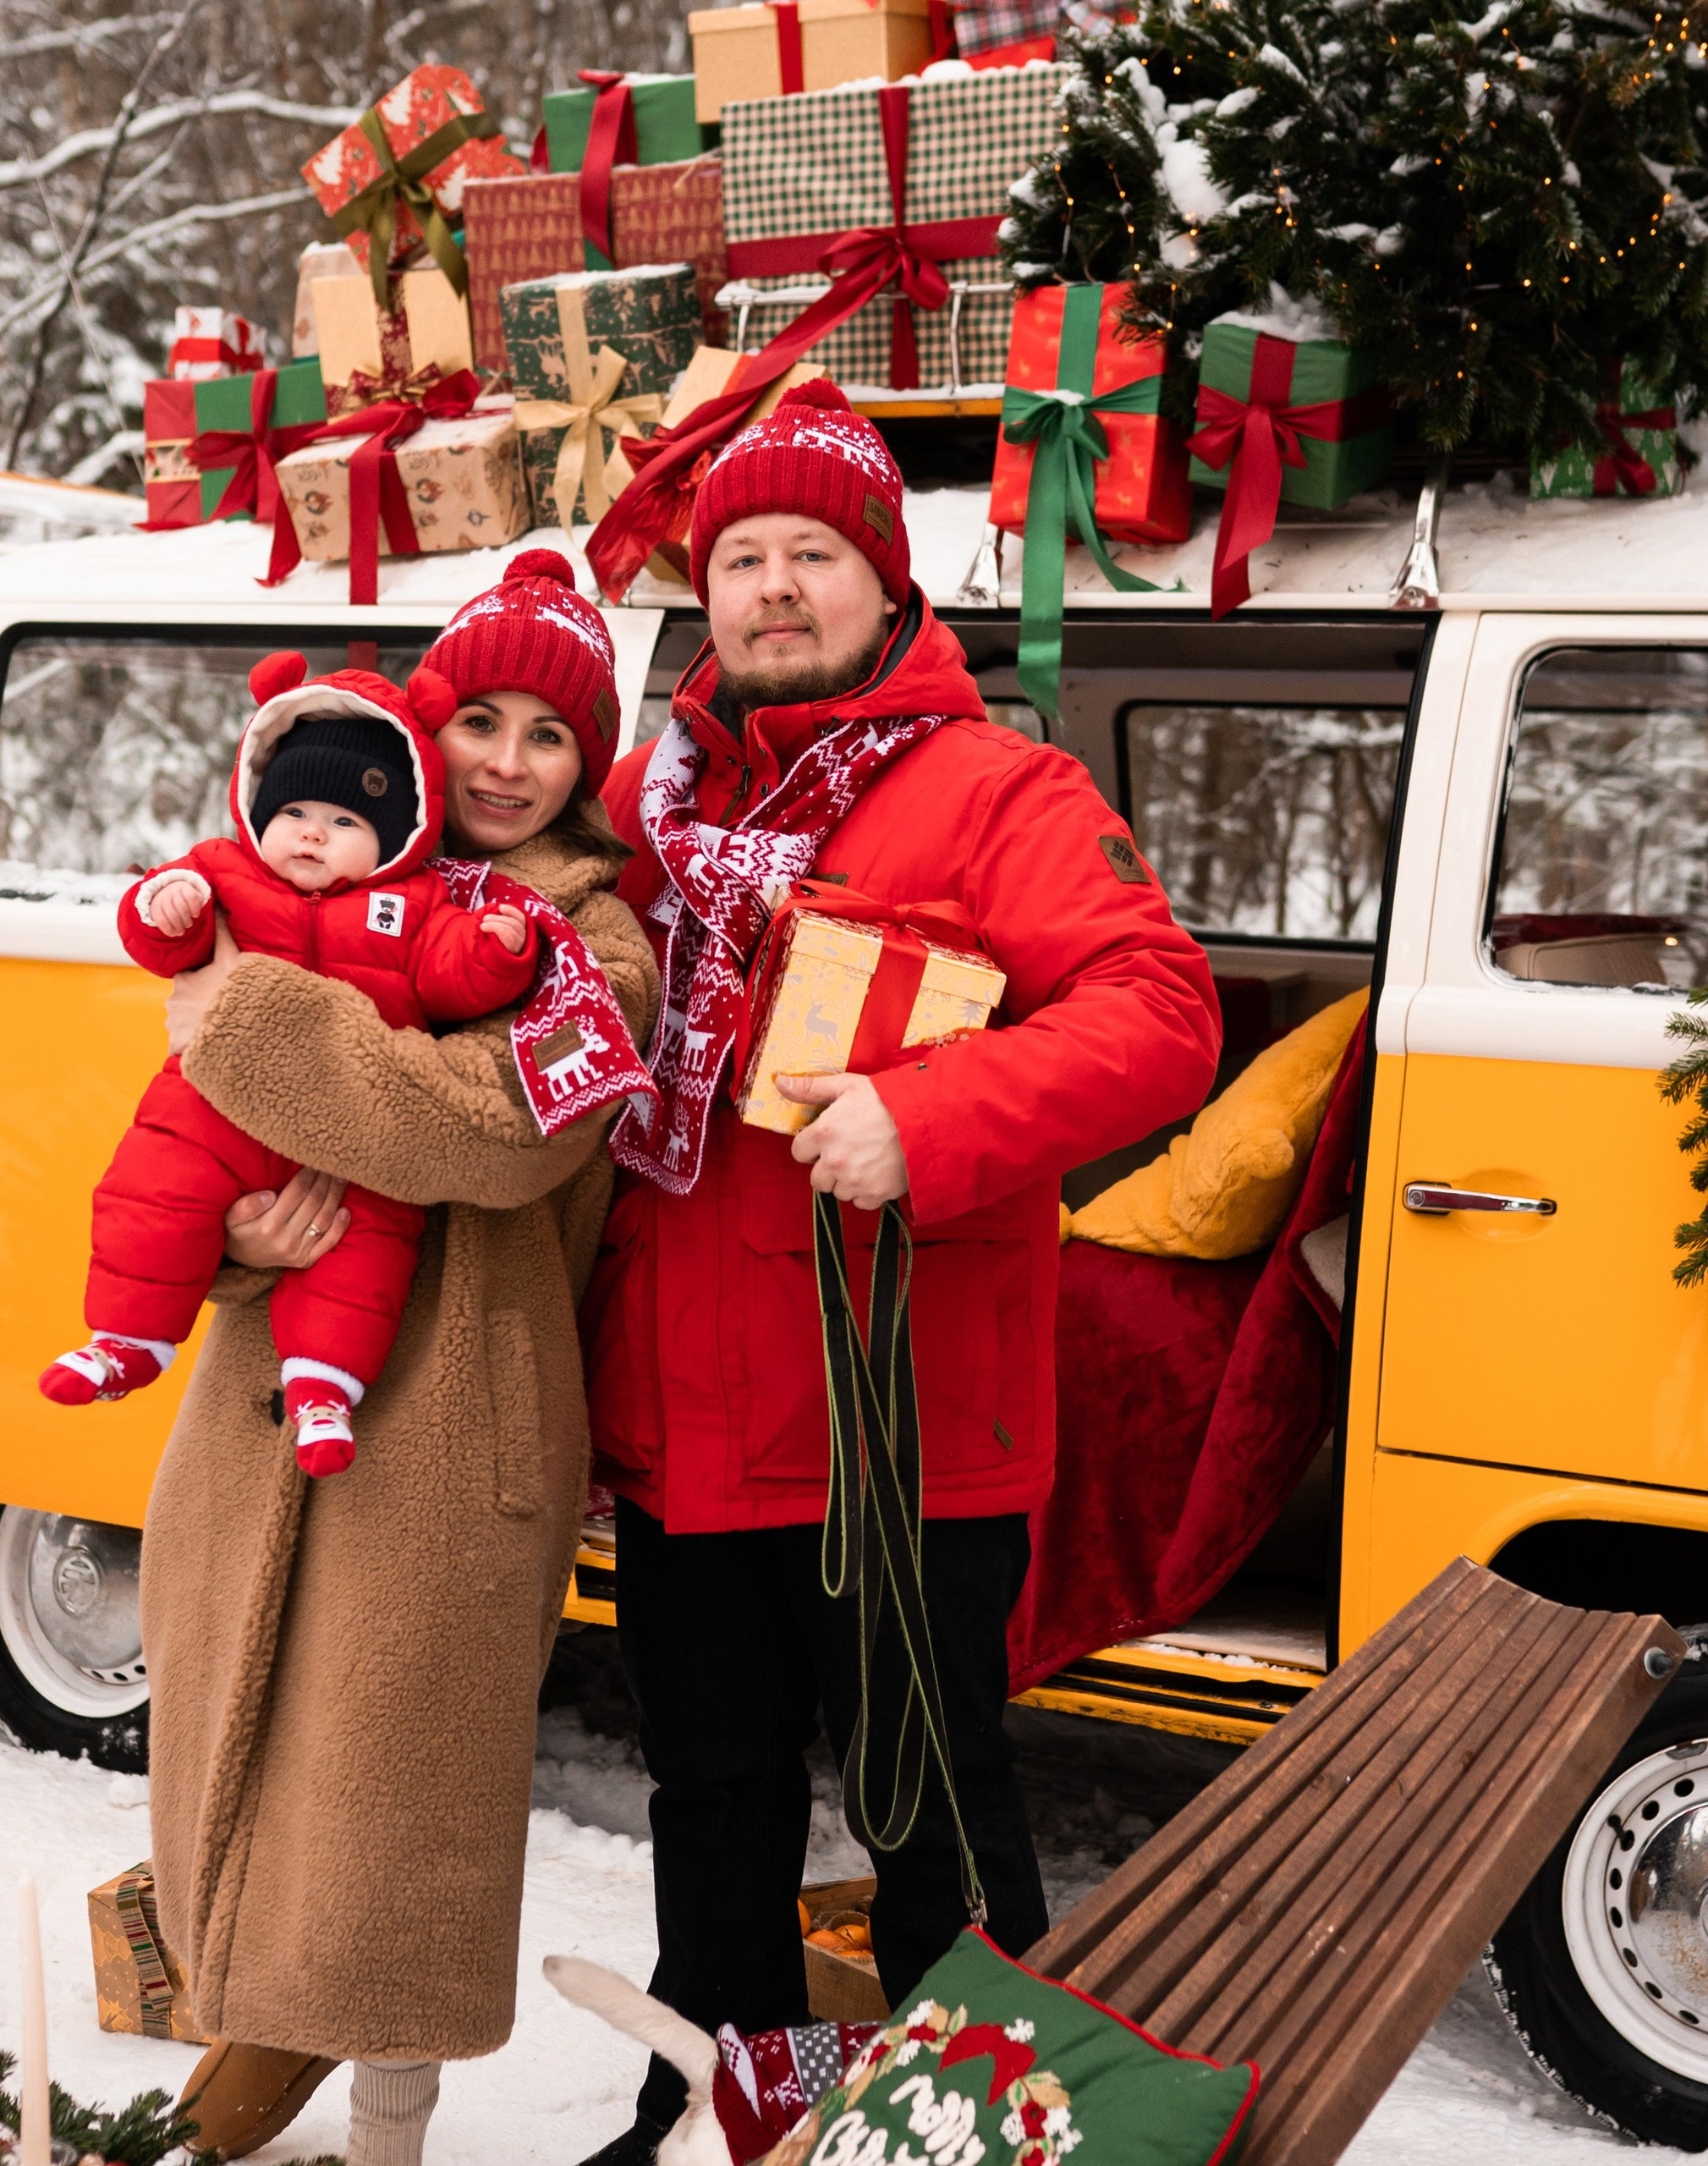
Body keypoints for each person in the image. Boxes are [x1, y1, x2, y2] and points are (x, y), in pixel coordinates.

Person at [576, 383, 1222, 2166]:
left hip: (899, 1450)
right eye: (741, 557)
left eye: (812, 553)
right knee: (710, 1808)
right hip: (680, 1430)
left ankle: (981, 2133)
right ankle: (709, 2107)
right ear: (702, 594)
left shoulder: (1000, 789)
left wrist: (931, 1116)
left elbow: (1160, 1016)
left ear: (884, 581)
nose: (774, 587)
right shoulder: (648, 803)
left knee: (932, 1825)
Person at [138, 551, 658, 2166]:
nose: (506, 762)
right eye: (481, 719)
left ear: (591, 764)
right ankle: (223, 2074)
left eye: (549, 737)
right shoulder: (329, 872)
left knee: (393, 1830)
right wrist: (234, 1249)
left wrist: (239, 1014)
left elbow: (489, 1134)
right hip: (259, 1391)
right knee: (216, 1766)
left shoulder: (605, 951)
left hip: (454, 1432)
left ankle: (388, 2141)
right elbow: (199, 1145)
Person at [38, 658, 542, 1475]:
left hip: (354, 1146)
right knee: (154, 1189)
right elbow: (166, 934)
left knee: (367, 1249)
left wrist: (498, 950)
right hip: (214, 1113)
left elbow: (449, 971)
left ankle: (325, 1386)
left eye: (344, 821)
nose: (312, 832)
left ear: (398, 834)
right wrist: (165, 911)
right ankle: (126, 1339)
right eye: (296, 812)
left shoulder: (415, 903)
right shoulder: (226, 873)